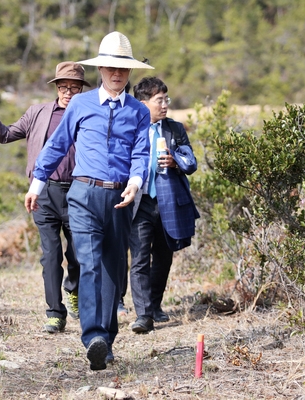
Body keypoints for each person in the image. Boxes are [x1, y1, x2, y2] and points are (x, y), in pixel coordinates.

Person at [24, 31, 154, 371]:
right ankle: (93, 336)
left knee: (113, 267)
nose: (116, 74)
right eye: (110, 67)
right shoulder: (80, 105)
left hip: (121, 197)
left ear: (129, 72)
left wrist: (136, 181)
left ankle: (106, 342)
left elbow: (142, 152)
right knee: (90, 262)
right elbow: (57, 145)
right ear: (100, 69)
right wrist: (37, 183)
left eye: (123, 69)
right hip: (81, 193)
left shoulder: (139, 111)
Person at [0, 61, 92, 334]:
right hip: (44, 192)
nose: (68, 92)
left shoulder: (89, 115)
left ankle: (73, 291)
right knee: (50, 255)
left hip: (79, 192)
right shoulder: (37, 113)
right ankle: (54, 313)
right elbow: (5, 134)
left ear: (82, 90)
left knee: (78, 254)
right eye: (63, 87)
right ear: (56, 88)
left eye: (74, 87)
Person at [129, 77, 199, 333]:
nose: (165, 105)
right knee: (138, 259)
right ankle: (143, 316)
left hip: (168, 202)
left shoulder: (175, 129)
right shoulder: (131, 128)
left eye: (166, 99)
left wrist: (176, 161)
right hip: (139, 202)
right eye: (160, 100)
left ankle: (155, 305)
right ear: (143, 103)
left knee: (163, 257)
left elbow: (191, 163)